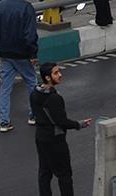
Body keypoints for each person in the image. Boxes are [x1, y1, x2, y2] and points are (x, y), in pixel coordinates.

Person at [30, 62, 92, 196]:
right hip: (55, 140)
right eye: (56, 73)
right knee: (64, 174)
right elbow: (61, 122)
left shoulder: (34, 93)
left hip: (40, 137)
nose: (60, 75)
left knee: (45, 172)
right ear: (47, 77)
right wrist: (79, 124)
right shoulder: (54, 98)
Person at [0, 0, 39, 132]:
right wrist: (33, 54)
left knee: (5, 88)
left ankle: (4, 121)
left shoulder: (1, 5)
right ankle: (33, 115)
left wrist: (1, 47)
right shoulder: (27, 7)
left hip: (5, 52)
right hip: (22, 53)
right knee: (31, 83)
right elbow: (30, 34)